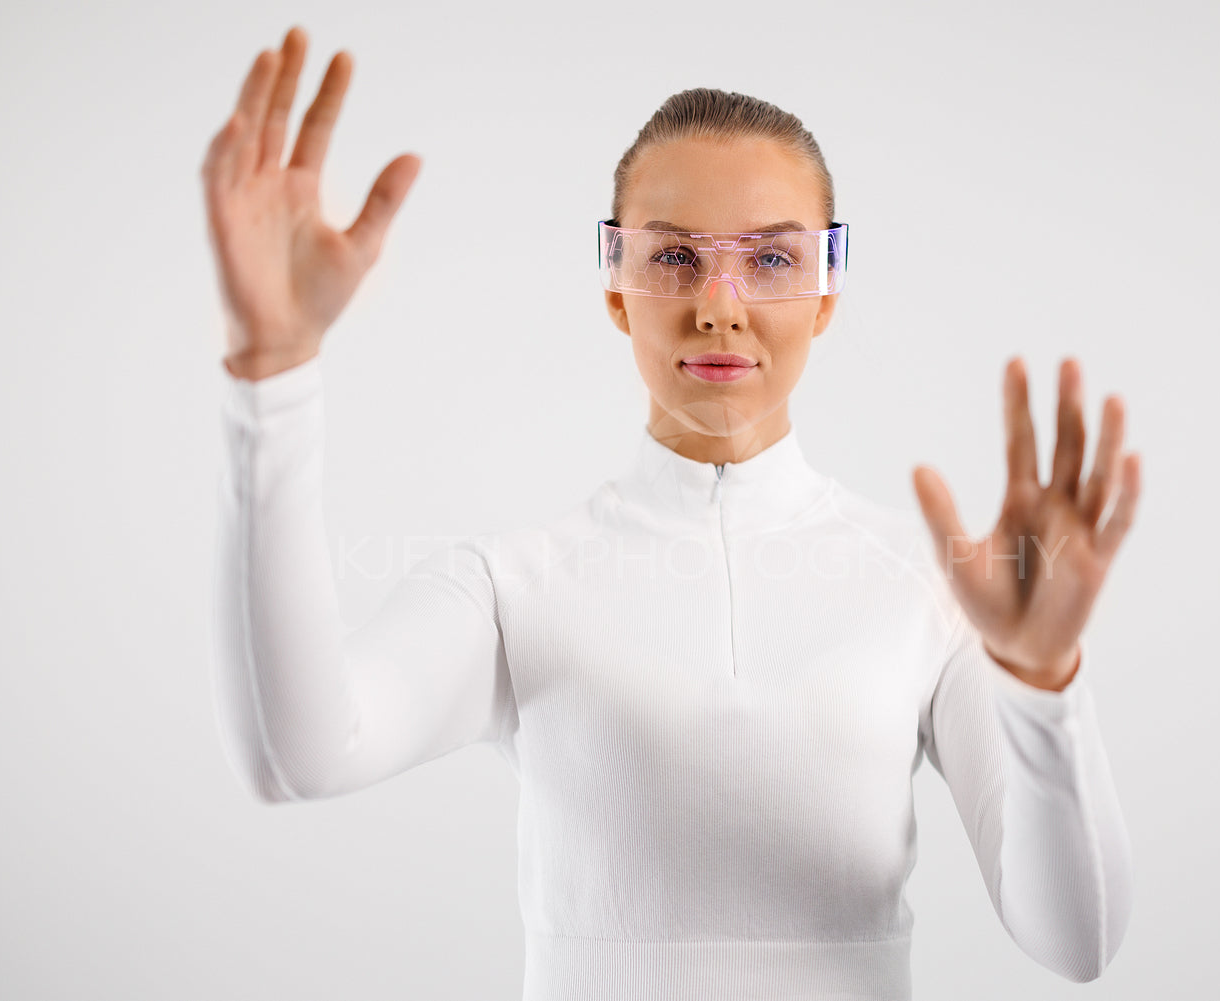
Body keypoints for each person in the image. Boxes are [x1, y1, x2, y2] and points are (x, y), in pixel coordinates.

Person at [201, 24, 1141, 1000]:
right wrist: (271, 380)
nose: (720, 305)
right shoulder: (512, 587)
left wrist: (1042, 682)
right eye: (677, 258)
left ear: (825, 292)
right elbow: (296, 753)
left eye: (771, 261)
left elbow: (1080, 935)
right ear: (615, 286)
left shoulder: (932, 591)